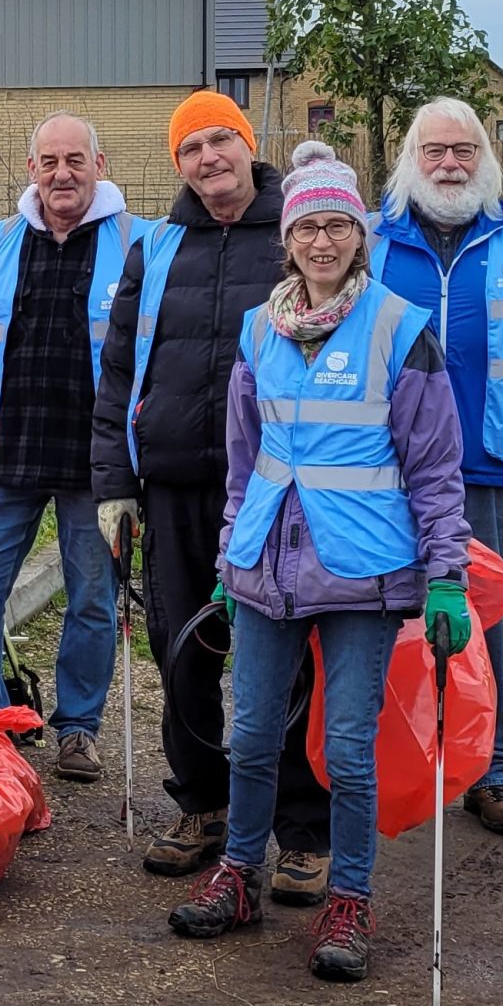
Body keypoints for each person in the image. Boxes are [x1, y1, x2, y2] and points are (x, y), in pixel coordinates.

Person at [167, 143, 471, 982]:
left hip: (362, 570)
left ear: (360, 237)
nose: (322, 241)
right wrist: (231, 555)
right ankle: (238, 874)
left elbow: (436, 470)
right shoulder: (259, 329)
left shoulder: (400, 329)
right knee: (252, 735)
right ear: (288, 238)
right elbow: (246, 459)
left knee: (346, 747)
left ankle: (350, 898)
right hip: (266, 564)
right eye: (307, 227)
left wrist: (447, 577)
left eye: (338, 225)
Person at [92, 93, 332, 898]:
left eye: (221, 139)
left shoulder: (297, 233)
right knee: (182, 649)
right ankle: (204, 804)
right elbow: (119, 369)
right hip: (173, 482)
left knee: (288, 656)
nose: (208, 157)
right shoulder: (156, 246)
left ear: (248, 144)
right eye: (190, 147)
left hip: (279, 488)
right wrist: (114, 482)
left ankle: (302, 828)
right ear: (179, 164)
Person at [369, 98, 503, 837]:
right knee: (379, 621)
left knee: (482, 622)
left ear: (484, 158)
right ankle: (379, 766)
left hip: (489, 464)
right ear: (410, 159)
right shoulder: (369, 240)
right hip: (384, 469)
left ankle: (491, 771)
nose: (450, 164)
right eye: (435, 151)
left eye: (464, 150)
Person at [0, 115, 138, 777]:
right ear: (31, 169)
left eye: (75, 160)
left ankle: (78, 728)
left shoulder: (137, 243)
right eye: (49, 161)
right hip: (4, 455)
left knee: (91, 601)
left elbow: (156, 356)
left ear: (99, 165)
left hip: (95, 464)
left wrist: (140, 462)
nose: (62, 173)